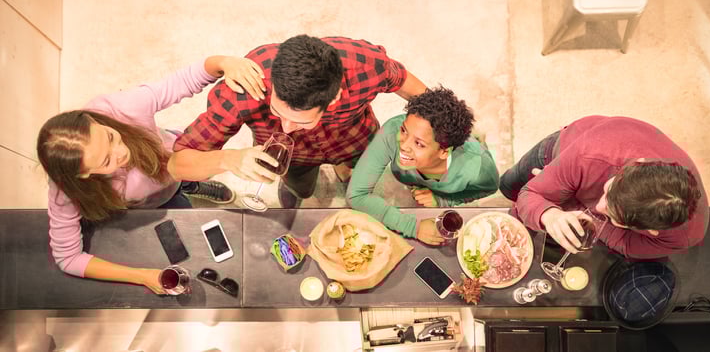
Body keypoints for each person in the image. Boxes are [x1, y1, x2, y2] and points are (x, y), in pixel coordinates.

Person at [38, 55, 264, 294]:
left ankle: (192, 185)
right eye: (106, 161)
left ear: (95, 120)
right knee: (186, 225)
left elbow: (183, 80)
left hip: (174, 159)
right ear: (83, 176)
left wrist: (222, 64)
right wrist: (141, 276)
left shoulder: (122, 108)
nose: (121, 152)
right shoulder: (66, 192)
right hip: (149, 201)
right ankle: (187, 188)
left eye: (111, 136)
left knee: (188, 176)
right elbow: (68, 258)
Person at [168, 35, 427, 208]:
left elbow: (405, 83)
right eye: (278, 114)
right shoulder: (243, 89)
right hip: (293, 160)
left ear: (334, 97)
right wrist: (228, 159)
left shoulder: (365, 64)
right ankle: (298, 190)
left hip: (357, 140)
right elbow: (177, 165)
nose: (286, 129)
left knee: (356, 177)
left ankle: (347, 175)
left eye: (301, 122)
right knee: (300, 189)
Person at [500, 115, 709, 259]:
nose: (598, 208)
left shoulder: (685, 236)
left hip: (574, 176)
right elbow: (529, 193)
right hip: (562, 148)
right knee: (509, 185)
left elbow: (627, 245)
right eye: (609, 190)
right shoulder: (592, 152)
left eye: (612, 216)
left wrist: (563, 207)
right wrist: (552, 213)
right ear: (640, 163)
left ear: (651, 231)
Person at [347, 87, 500, 245]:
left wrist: (442, 201)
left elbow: (488, 189)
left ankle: (475, 136)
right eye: (404, 130)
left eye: (419, 143)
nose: (403, 145)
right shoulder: (392, 131)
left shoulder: (477, 168)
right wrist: (413, 227)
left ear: (443, 152)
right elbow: (356, 194)